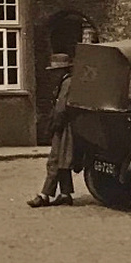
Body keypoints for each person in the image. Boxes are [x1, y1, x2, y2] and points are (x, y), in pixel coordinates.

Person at [28, 53, 76, 207]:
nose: (53, 74)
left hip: (64, 126)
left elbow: (61, 109)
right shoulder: (66, 82)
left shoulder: (67, 83)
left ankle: (44, 195)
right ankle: (65, 193)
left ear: (62, 70)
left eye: (55, 71)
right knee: (63, 159)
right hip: (67, 125)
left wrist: (54, 126)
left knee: (54, 160)